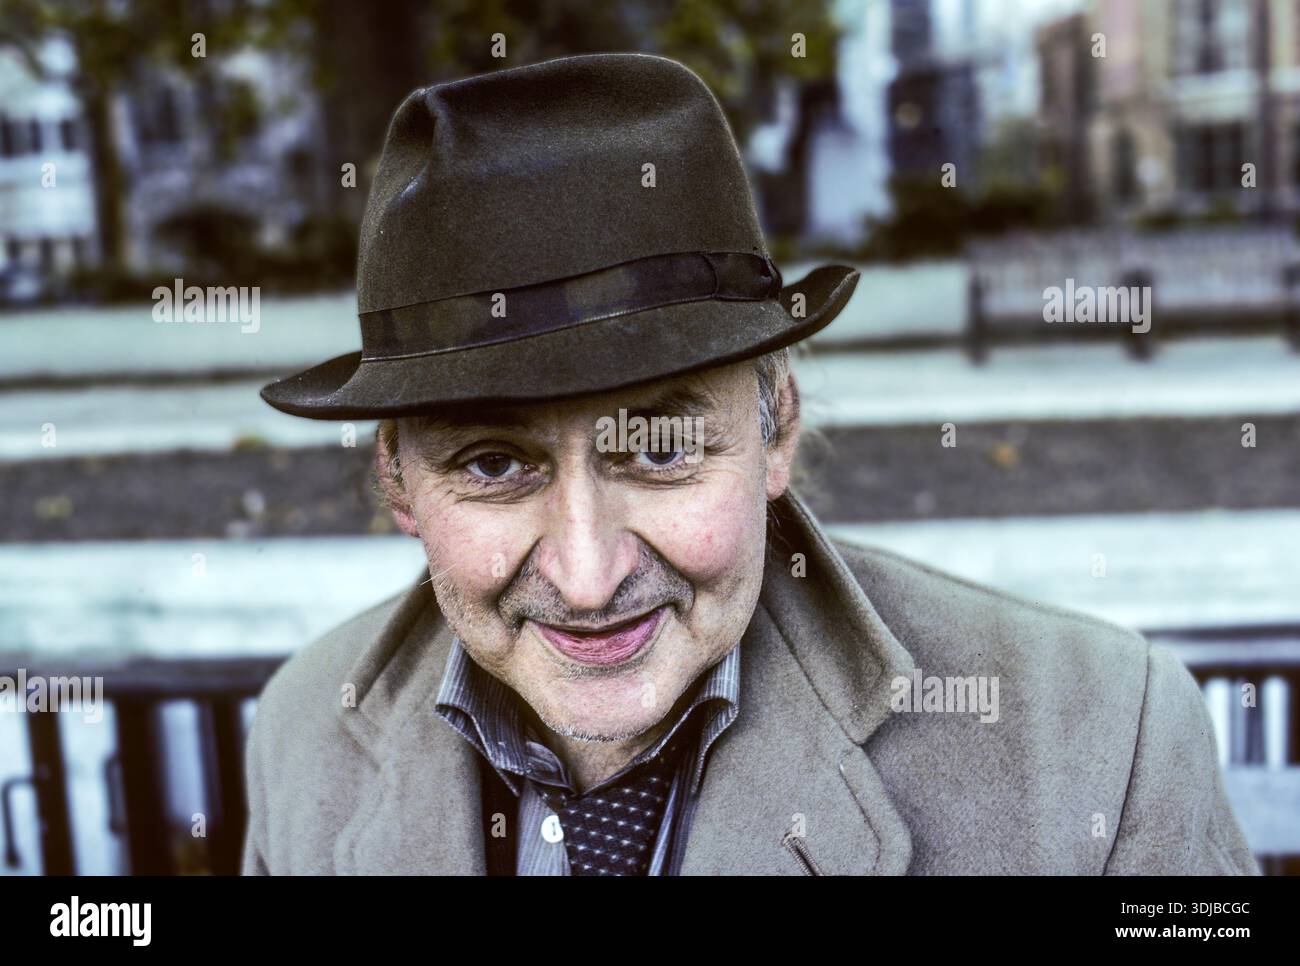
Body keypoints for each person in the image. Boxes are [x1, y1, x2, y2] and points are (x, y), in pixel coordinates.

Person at [242, 52, 1258, 875]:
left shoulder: (1096, 739)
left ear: (776, 426)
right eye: (495, 463)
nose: (587, 576)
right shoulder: (305, 731)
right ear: (397, 481)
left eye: (660, 445)